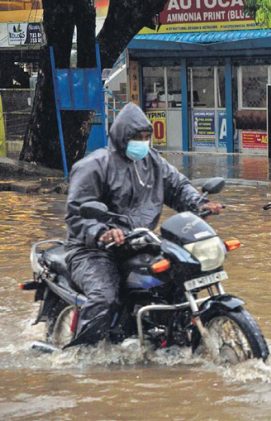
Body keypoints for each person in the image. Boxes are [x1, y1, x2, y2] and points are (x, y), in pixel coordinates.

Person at [64, 102, 223, 347]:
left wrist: (199, 203)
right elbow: (77, 212)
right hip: (93, 250)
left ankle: (172, 336)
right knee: (105, 298)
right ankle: (82, 356)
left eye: (147, 137)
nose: (143, 142)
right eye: (137, 137)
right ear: (121, 137)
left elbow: (178, 186)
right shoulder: (94, 165)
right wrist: (102, 232)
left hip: (140, 242)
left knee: (176, 277)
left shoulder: (153, 162)